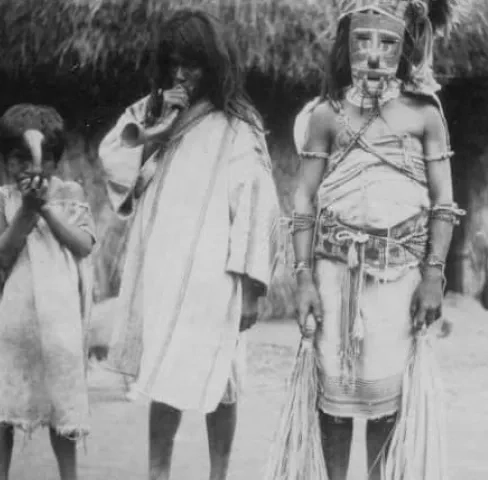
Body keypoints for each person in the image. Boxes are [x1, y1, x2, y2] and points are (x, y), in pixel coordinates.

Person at [98, 9, 280, 480]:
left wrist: (251, 289)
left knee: (222, 378)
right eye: (174, 63)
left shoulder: (239, 125)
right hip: (163, 264)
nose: (182, 75)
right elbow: (113, 158)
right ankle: (160, 471)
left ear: (214, 65)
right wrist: (157, 133)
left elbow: (257, 205)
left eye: (193, 65)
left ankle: (219, 472)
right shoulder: (150, 111)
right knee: (165, 371)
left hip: (214, 273)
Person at [290, 1, 462, 479]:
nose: (372, 54)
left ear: (405, 48)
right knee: (335, 402)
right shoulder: (326, 115)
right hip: (333, 275)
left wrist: (433, 275)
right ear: (345, 45)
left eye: (387, 43)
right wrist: (302, 278)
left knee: (387, 404)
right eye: (361, 41)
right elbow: (304, 196)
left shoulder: (424, 115)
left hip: (397, 279)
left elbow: (443, 201)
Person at [0, 104, 95, 480]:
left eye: (44, 160)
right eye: (20, 159)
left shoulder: (70, 192)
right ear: (6, 160)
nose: (32, 169)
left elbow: (82, 245)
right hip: (14, 320)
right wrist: (26, 213)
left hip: (60, 320)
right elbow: (0, 253)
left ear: (56, 162)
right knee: (5, 402)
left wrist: (45, 210)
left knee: (61, 402)